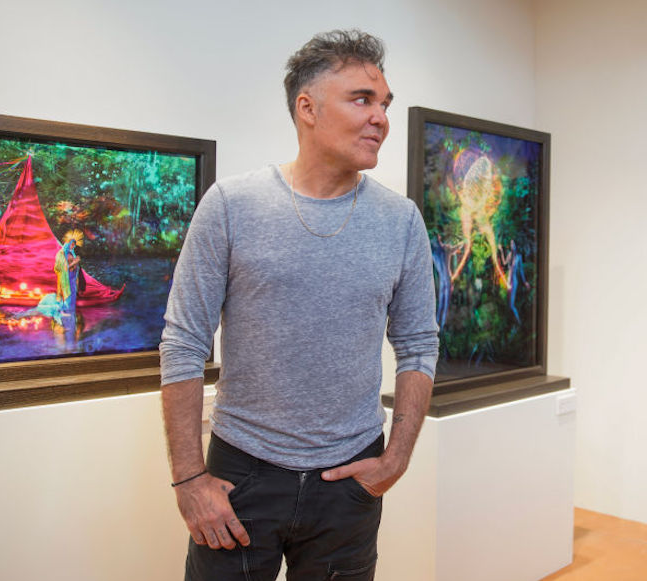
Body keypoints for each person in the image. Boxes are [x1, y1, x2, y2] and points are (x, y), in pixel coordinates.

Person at [159, 30, 438, 581]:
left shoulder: (401, 220)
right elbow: (184, 342)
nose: (381, 117)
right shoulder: (232, 205)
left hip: (349, 479)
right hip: (243, 473)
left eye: (385, 103)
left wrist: (397, 458)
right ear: (307, 108)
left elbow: (418, 344)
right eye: (362, 99)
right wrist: (189, 480)